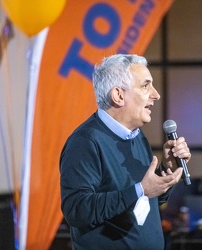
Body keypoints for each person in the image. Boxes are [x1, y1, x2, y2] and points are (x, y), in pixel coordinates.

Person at [59, 54, 191, 250]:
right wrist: (140, 190)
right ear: (118, 95)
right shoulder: (85, 142)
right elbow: (77, 211)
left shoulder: (136, 136)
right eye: (145, 86)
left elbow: (147, 200)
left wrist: (167, 170)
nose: (155, 94)